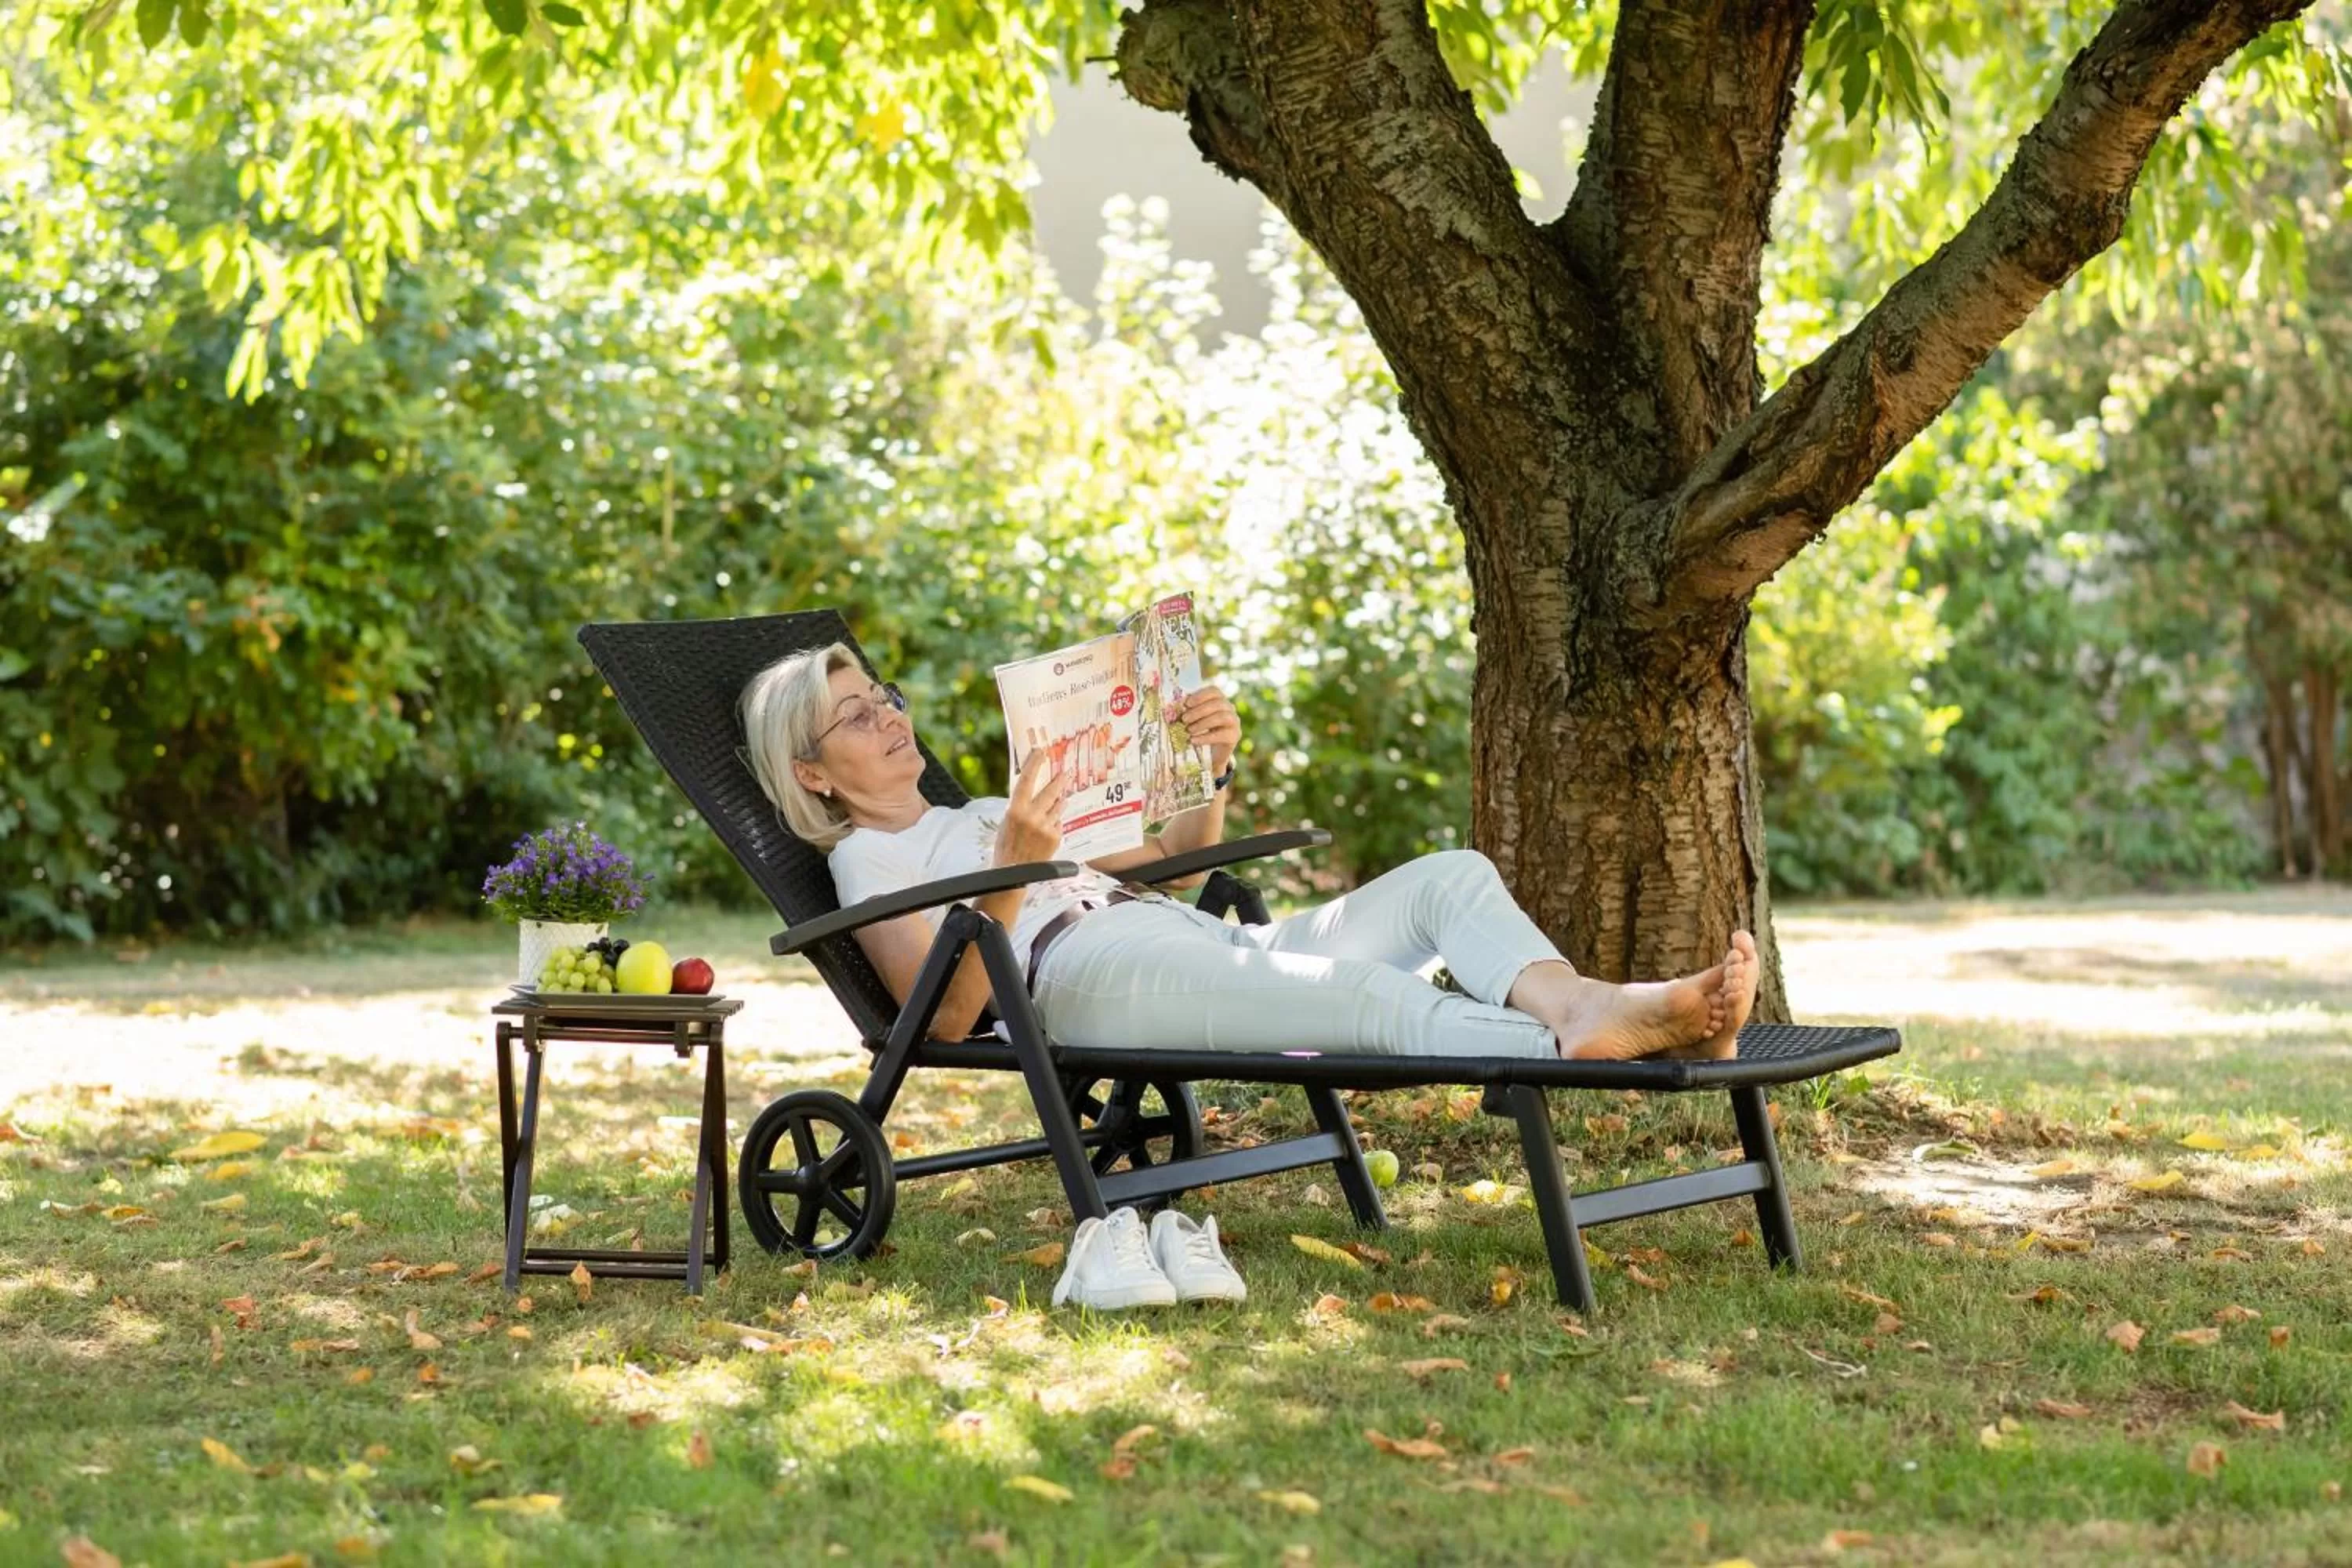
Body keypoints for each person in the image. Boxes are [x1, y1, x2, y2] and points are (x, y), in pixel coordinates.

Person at [739, 642, 1759, 1305]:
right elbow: (950, 1016)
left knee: (1450, 877)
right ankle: (1595, 1035)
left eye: (883, 697)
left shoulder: (967, 817)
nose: (888, 717)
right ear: (813, 773)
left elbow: (1180, 857)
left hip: (1170, 933)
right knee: (1352, 1005)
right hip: (1091, 972)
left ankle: (1582, 1004)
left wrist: (1206, 771)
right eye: (855, 716)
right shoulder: (867, 860)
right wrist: (1011, 869)